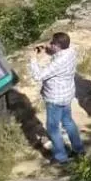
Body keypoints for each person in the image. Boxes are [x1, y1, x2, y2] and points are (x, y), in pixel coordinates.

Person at [28, 32, 83, 165]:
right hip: (67, 94)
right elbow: (57, 52)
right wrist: (47, 49)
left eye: (52, 43)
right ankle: (79, 150)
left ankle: (60, 157)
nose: (50, 44)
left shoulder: (58, 62)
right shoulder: (71, 51)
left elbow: (38, 76)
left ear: (58, 46)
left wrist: (33, 59)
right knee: (68, 122)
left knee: (52, 128)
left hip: (55, 99)